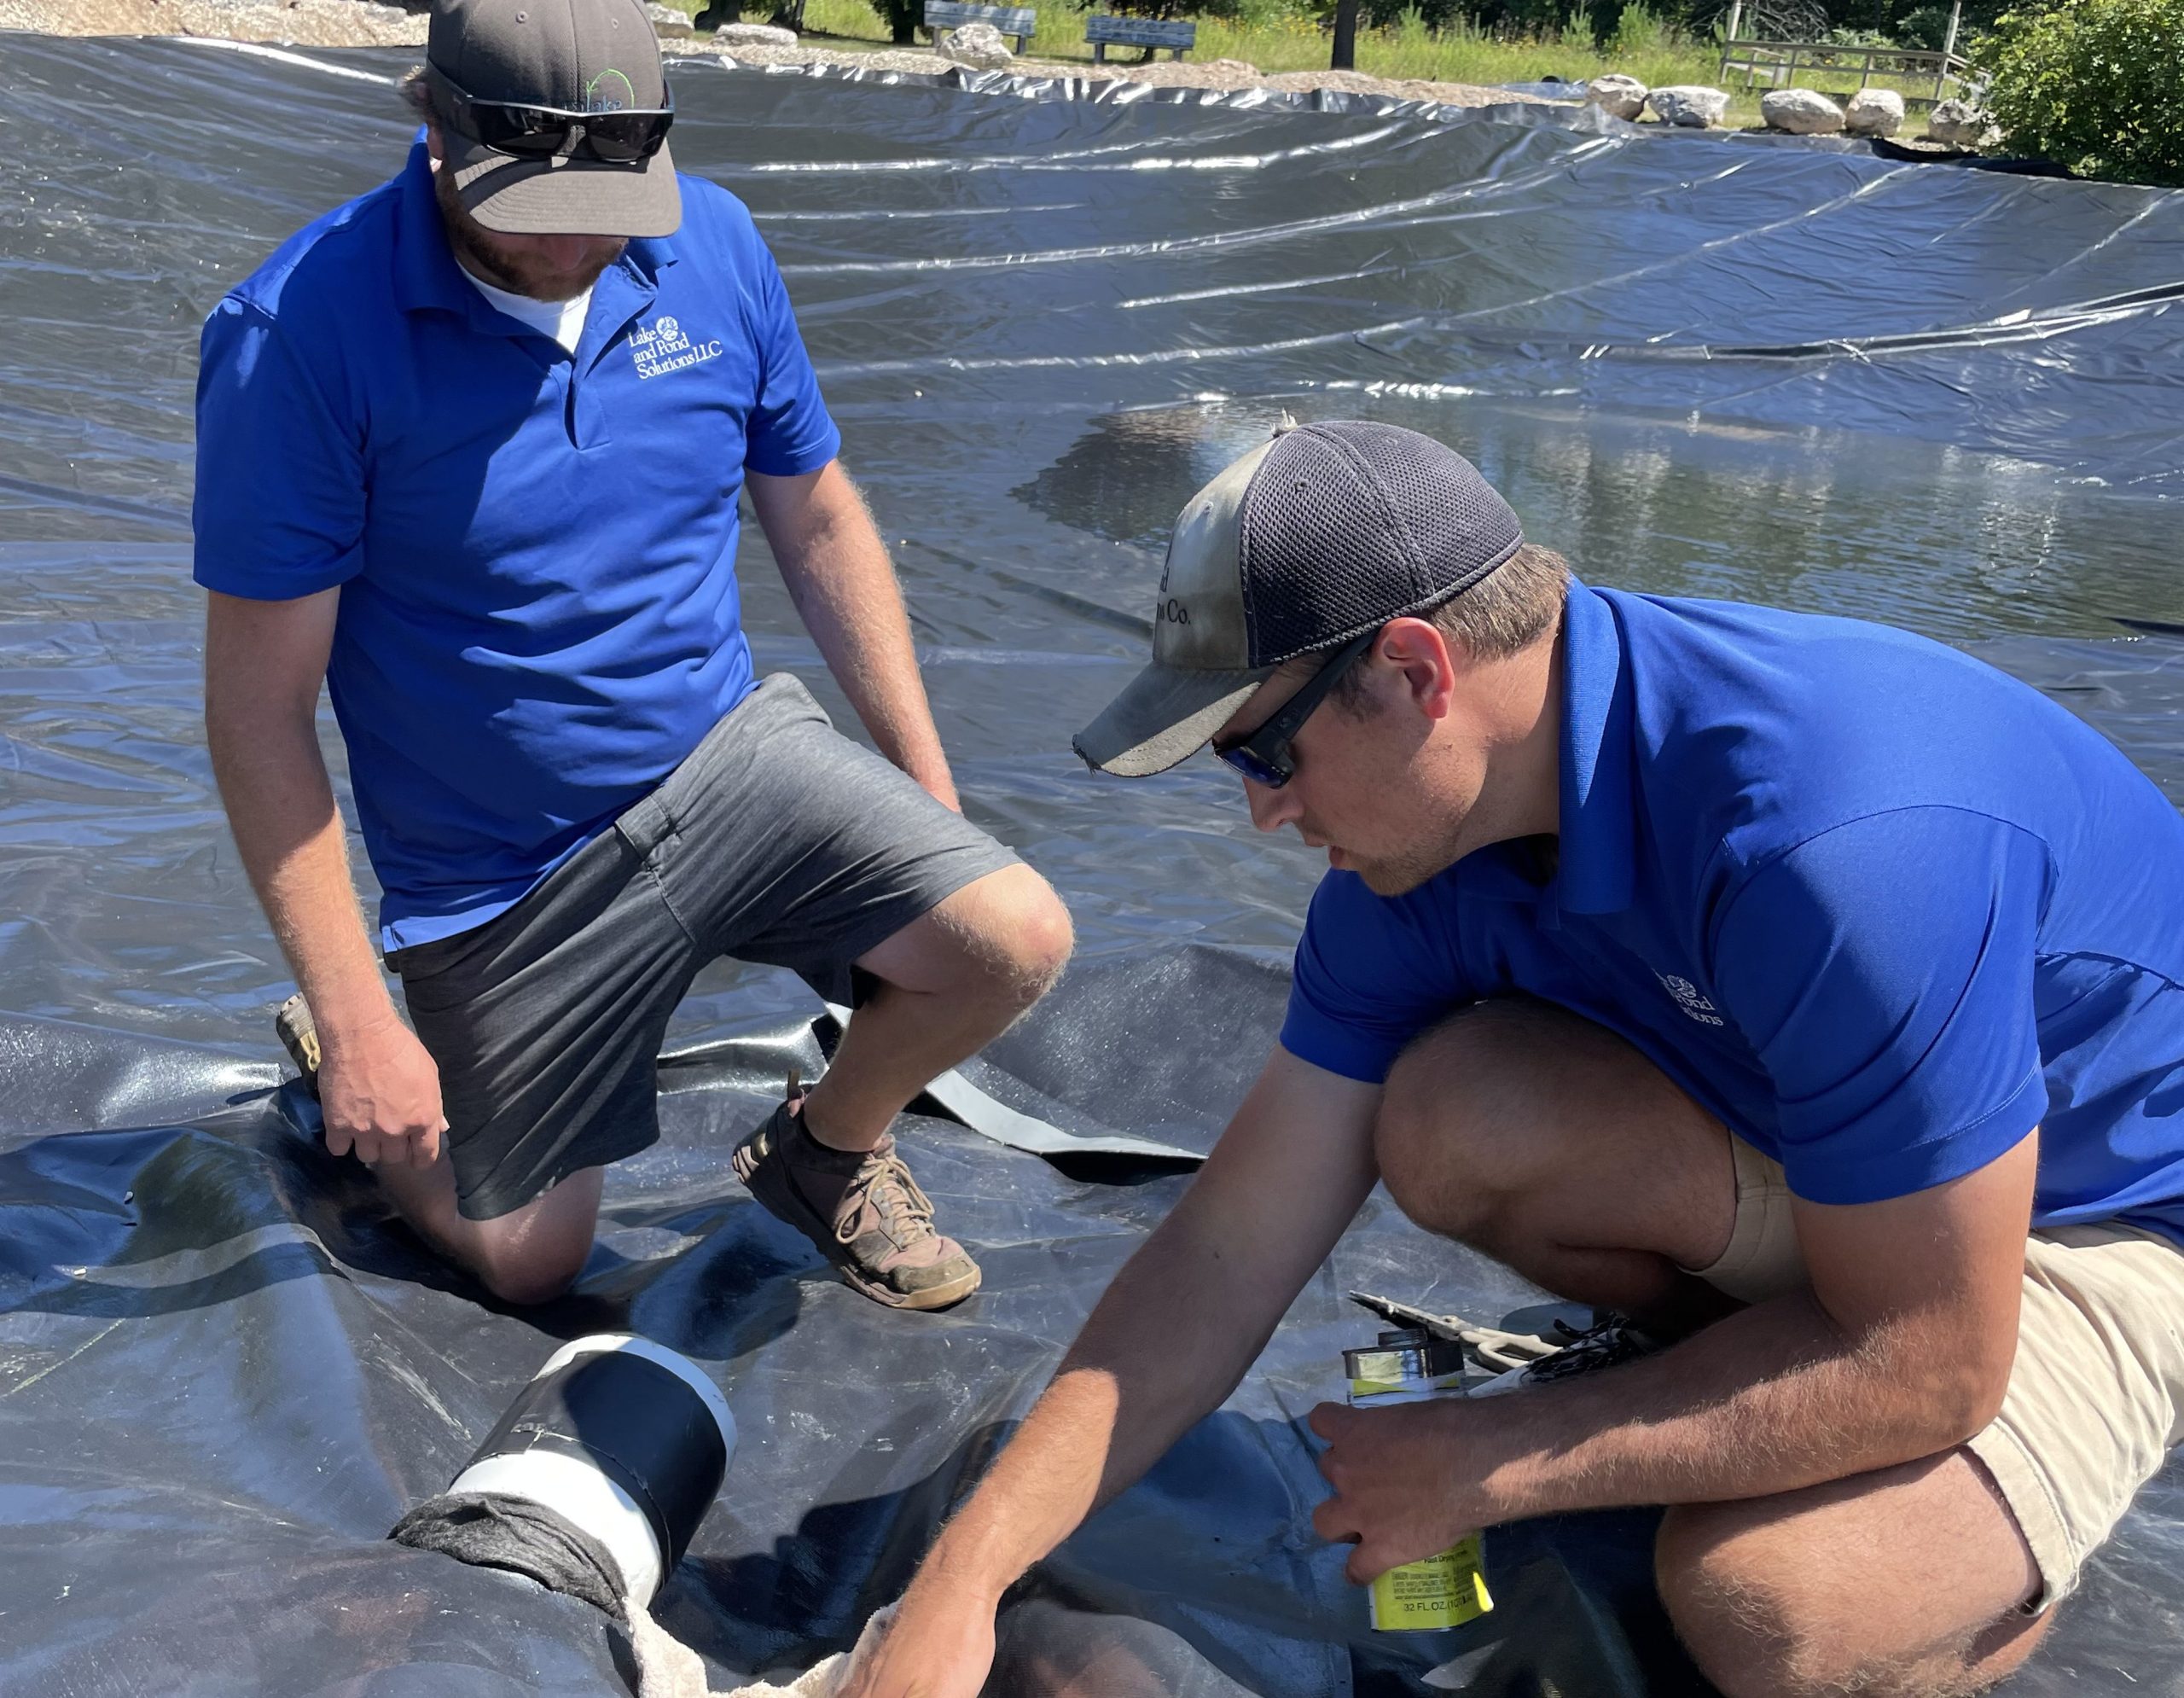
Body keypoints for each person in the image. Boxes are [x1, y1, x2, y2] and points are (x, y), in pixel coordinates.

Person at [845, 420, 2184, 1697]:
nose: (1261, 810)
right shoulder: (1415, 864)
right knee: (1450, 1115)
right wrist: (960, 1578)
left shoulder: (1833, 844)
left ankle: (1988, 1579)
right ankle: (1753, 1388)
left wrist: (1493, 1458)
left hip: (2094, 1216)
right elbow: (1223, 1247)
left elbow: (1934, 1355)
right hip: (1853, 1166)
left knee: (1769, 1601)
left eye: (1262, 745)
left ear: (1421, 670)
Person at [193, 0, 1072, 1311]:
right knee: (534, 1259)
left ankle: (827, 1151)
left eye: (608, 204)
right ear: (435, 131)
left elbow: (818, 514)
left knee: (1011, 934)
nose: (577, 244)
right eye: (533, 206)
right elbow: (260, 716)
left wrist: (924, 787)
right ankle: (348, 1063)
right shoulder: (300, 337)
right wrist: (363, 1017)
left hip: (734, 768)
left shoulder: (710, 244)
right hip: (506, 876)